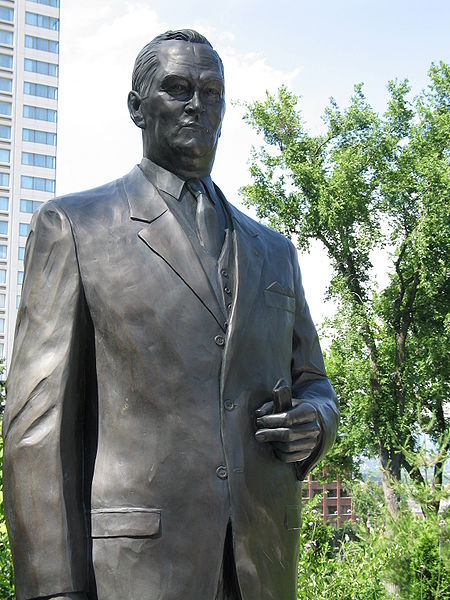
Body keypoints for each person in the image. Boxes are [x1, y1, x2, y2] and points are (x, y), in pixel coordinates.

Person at [2, 30, 339, 600]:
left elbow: (315, 383)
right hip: (134, 571)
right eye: (178, 89)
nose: (197, 107)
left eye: (212, 93)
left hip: (261, 565)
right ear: (137, 106)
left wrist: (315, 421)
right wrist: (53, 589)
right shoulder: (76, 227)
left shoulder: (273, 250)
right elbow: (35, 430)